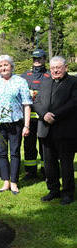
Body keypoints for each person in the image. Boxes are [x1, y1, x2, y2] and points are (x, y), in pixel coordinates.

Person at [0, 55, 32, 195]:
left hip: (15, 123)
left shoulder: (20, 82)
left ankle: (14, 182)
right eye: (0, 66)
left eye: (6, 65)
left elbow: (27, 105)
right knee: (1, 153)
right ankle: (5, 181)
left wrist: (26, 125)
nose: (3, 68)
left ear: (11, 66)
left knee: (15, 152)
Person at [34, 56, 77, 205]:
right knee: (49, 162)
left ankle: (67, 193)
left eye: (58, 67)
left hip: (65, 130)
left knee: (66, 163)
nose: (55, 70)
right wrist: (43, 114)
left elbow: (73, 103)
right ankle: (53, 190)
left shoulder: (73, 82)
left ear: (65, 67)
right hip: (45, 129)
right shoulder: (45, 82)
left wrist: (55, 116)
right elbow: (37, 101)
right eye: (53, 68)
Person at [21, 49, 50, 180]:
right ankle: (30, 171)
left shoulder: (49, 75)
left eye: (39, 58)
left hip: (44, 119)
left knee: (45, 146)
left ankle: (46, 169)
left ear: (44, 59)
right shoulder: (24, 76)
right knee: (29, 146)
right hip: (29, 119)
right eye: (34, 59)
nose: (36, 61)